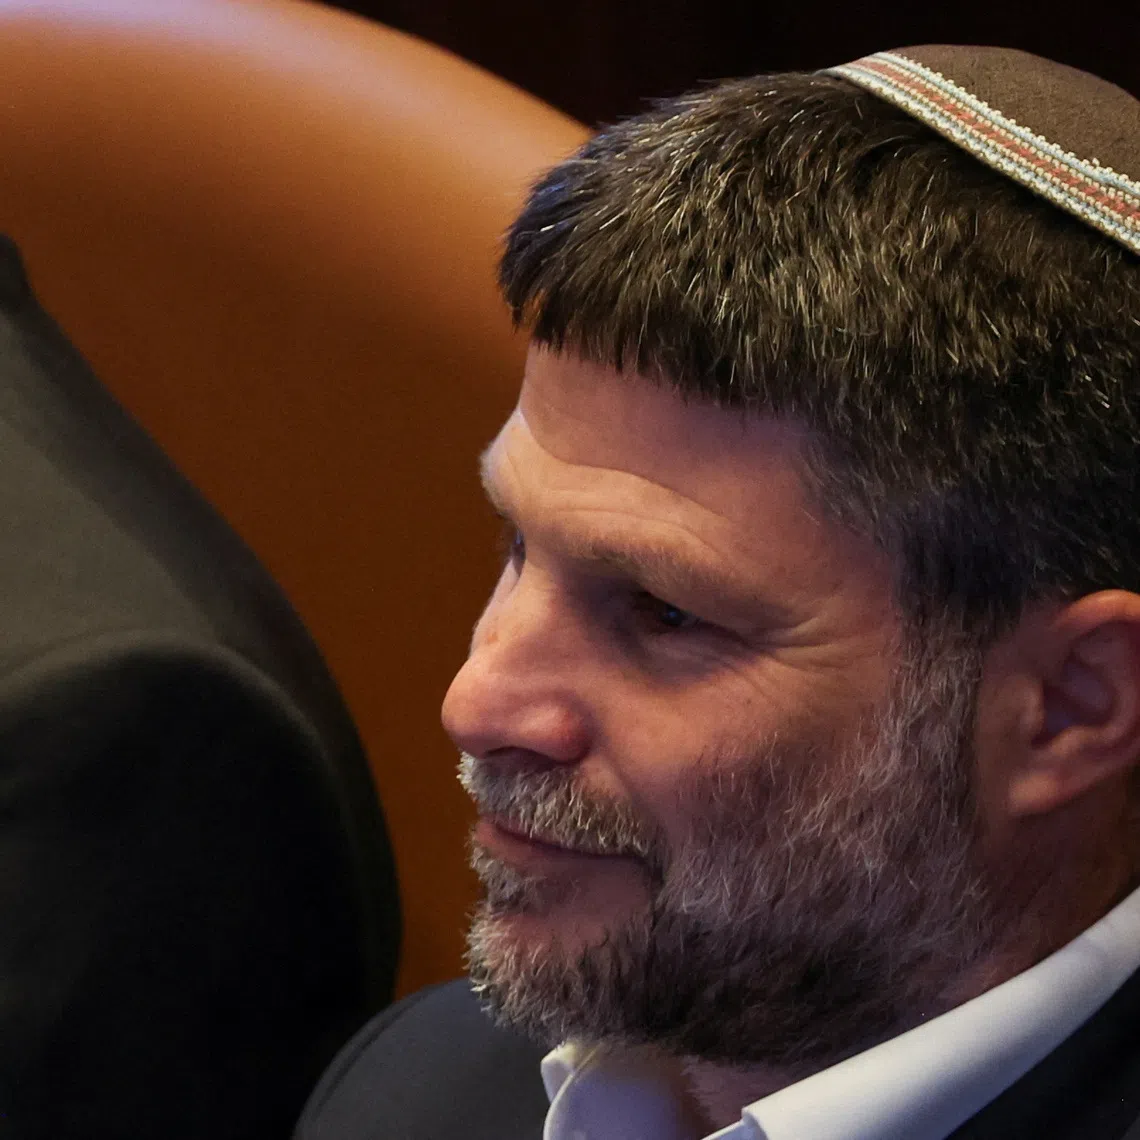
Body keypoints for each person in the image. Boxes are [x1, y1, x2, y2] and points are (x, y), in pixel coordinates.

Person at [296, 44, 1140, 1140]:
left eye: (662, 612)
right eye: (515, 543)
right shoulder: (425, 1089)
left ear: (1072, 707)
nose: (479, 702)